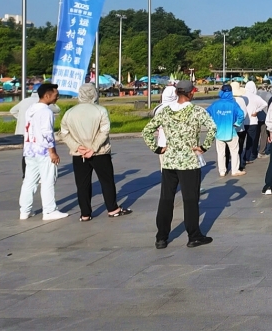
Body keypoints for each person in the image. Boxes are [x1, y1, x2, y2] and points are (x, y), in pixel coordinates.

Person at [142, 80, 216, 248]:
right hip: (189, 162)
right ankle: (193, 236)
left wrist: (157, 148)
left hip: (169, 161)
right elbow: (212, 128)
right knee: (190, 199)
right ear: (191, 93)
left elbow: (147, 131)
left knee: (166, 199)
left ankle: (161, 237)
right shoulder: (197, 111)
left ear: (176, 93)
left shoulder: (165, 111)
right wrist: (204, 146)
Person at [61, 83, 130, 222]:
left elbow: (64, 133)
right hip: (100, 152)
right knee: (106, 181)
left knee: (82, 184)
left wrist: (77, 147)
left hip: (79, 154)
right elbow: (104, 131)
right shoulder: (100, 110)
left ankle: (85, 214)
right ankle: (112, 209)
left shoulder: (69, 113)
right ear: (95, 94)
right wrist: (93, 148)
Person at [19, 83, 68, 221]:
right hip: (43, 151)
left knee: (29, 181)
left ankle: (25, 211)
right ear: (47, 95)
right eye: (56, 95)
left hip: (30, 150)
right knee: (48, 181)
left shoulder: (31, 109)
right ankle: (49, 211)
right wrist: (52, 152)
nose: (57, 97)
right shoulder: (46, 112)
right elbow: (47, 133)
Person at [11, 91, 61, 177]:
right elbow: (57, 109)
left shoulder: (25, 101)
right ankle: (41, 174)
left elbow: (13, 110)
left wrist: (22, 118)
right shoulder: (43, 103)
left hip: (25, 131)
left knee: (28, 153)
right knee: (41, 152)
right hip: (38, 132)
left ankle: (26, 174)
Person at [206, 85, 246, 177]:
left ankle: (222, 171)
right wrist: (237, 124)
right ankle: (234, 170)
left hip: (219, 132)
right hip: (231, 132)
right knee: (234, 152)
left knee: (221, 153)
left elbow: (206, 113)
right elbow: (241, 115)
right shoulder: (233, 104)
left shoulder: (215, 104)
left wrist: (212, 124)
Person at [241, 81, 268, 164]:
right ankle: (247, 158)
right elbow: (265, 104)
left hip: (243, 121)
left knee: (241, 141)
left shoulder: (242, 96)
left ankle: (239, 157)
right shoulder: (256, 97)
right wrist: (257, 111)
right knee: (250, 141)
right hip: (252, 121)